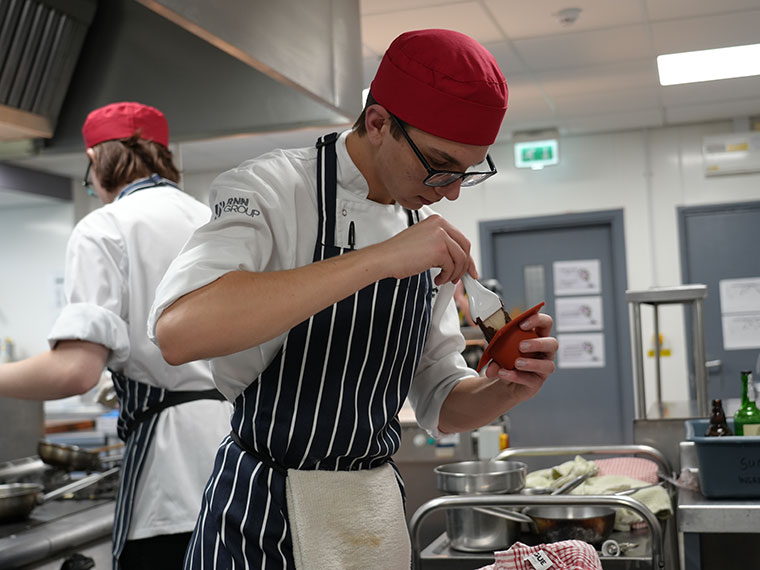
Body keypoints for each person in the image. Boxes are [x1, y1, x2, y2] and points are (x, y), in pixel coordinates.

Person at [148, 29, 559, 569]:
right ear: (378, 122)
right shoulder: (272, 190)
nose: (451, 191)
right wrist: (378, 260)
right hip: (262, 515)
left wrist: (505, 390)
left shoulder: (421, 231)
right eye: (439, 164)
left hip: (369, 514)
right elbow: (180, 332)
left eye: (467, 172)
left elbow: (439, 399)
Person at [0, 102, 232, 570]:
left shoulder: (104, 227)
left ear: (97, 158)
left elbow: (75, 369)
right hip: (238, 461)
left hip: (172, 480)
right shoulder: (212, 218)